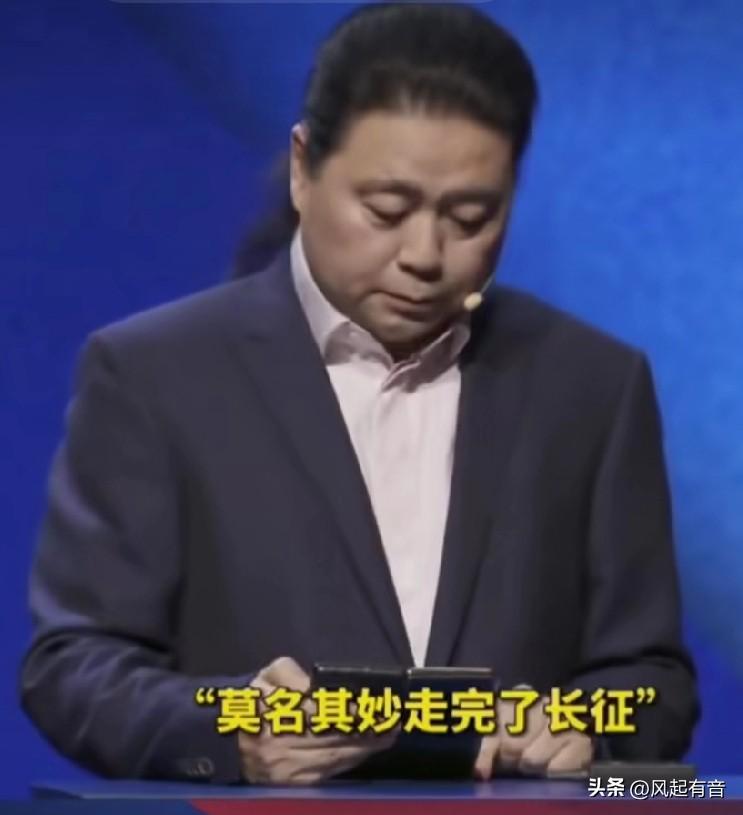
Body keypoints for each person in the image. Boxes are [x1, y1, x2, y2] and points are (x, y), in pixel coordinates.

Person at [20, 2, 698, 786]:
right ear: (303, 169)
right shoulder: (153, 374)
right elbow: (74, 664)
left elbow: (651, 677)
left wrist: (584, 725)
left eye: (470, 217)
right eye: (386, 210)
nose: (424, 254)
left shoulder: (591, 387)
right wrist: (229, 727)